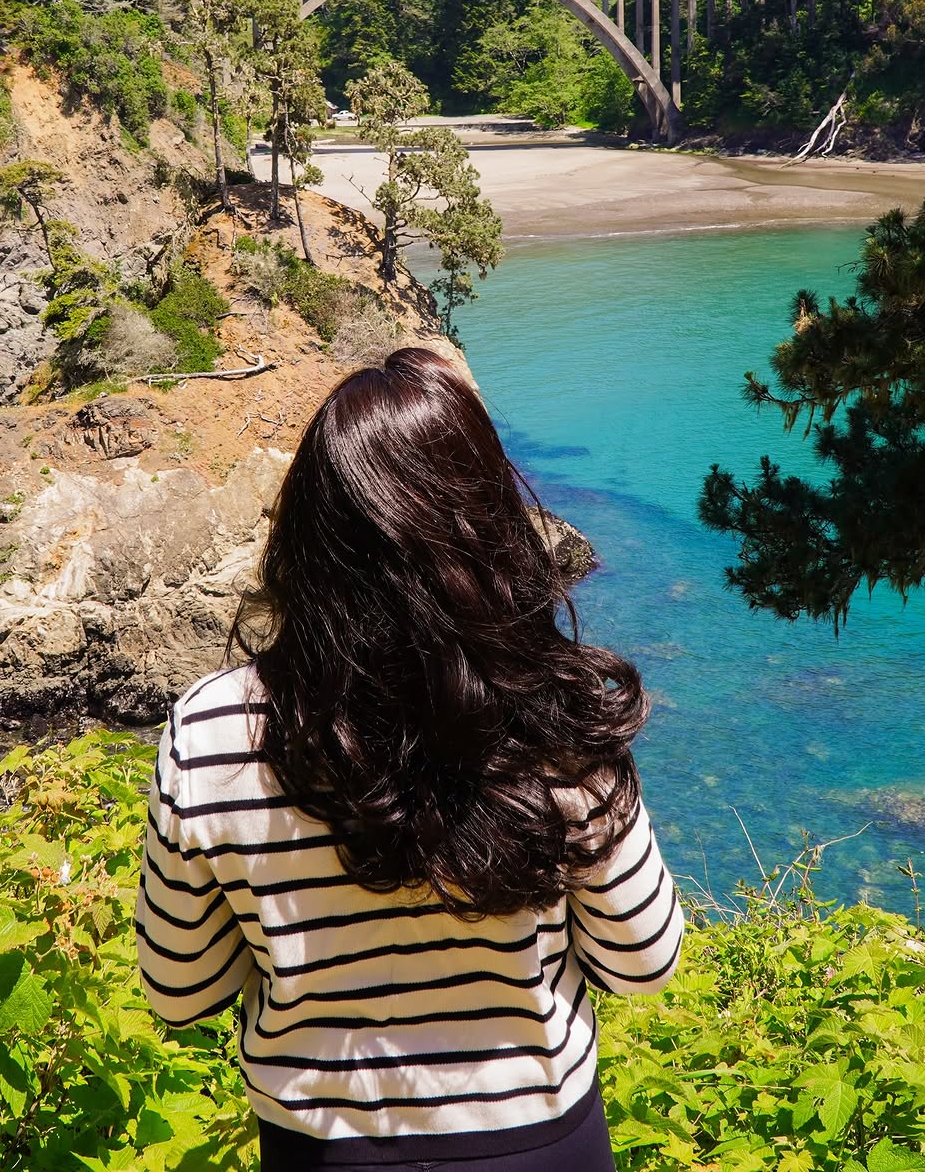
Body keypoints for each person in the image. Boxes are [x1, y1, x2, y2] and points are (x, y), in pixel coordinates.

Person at [135, 346, 684, 1171]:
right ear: (491, 526)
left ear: (308, 533)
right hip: (544, 1143)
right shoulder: (553, 712)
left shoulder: (208, 730)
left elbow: (180, 990)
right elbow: (643, 962)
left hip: (321, 1151)